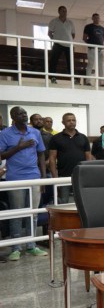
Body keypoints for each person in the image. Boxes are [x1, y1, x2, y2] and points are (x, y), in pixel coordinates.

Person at [0, 106, 48, 260]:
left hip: (34, 176)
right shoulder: (5, 133)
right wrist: (18, 147)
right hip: (15, 178)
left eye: (25, 113)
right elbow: (1, 155)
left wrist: (43, 178)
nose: (24, 115)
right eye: (20, 114)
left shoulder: (35, 132)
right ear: (13, 117)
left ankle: (31, 245)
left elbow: (41, 155)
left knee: (33, 213)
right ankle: (16, 248)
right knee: (17, 213)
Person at [48, 112, 91, 204]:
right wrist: (55, 177)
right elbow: (52, 158)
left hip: (80, 175)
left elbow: (88, 157)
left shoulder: (83, 137)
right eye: (68, 120)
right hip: (63, 175)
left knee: (82, 201)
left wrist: (88, 173)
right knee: (64, 202)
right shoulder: (56, 138)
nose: (71, 122)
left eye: (73, 120)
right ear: (63, 122)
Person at [47, 6, 76, 84]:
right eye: (63, 11)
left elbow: (73, 34)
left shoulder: (70, 22)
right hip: (58, 44)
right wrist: (55, 40)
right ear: (59, 12)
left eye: (65, 11)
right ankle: (53, 77)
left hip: (69, 45)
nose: (65, 12)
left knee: (70, 62)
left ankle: (73, 78)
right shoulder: (54, 21)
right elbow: (49, 33)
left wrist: (68, 40)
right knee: (54, 61)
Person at [82, 13, 104, 86]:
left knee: (101, 66)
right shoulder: (88, 27)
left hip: (101, 49)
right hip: (92, 49)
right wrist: (90, 44)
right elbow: (84, 38)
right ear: (92, 18)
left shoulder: (102, 29)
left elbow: (102, 39)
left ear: (99, 19)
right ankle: (88, 81)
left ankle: (101, 82)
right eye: (95, 17)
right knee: (90, 64)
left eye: (98, 18)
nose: (97, 19)